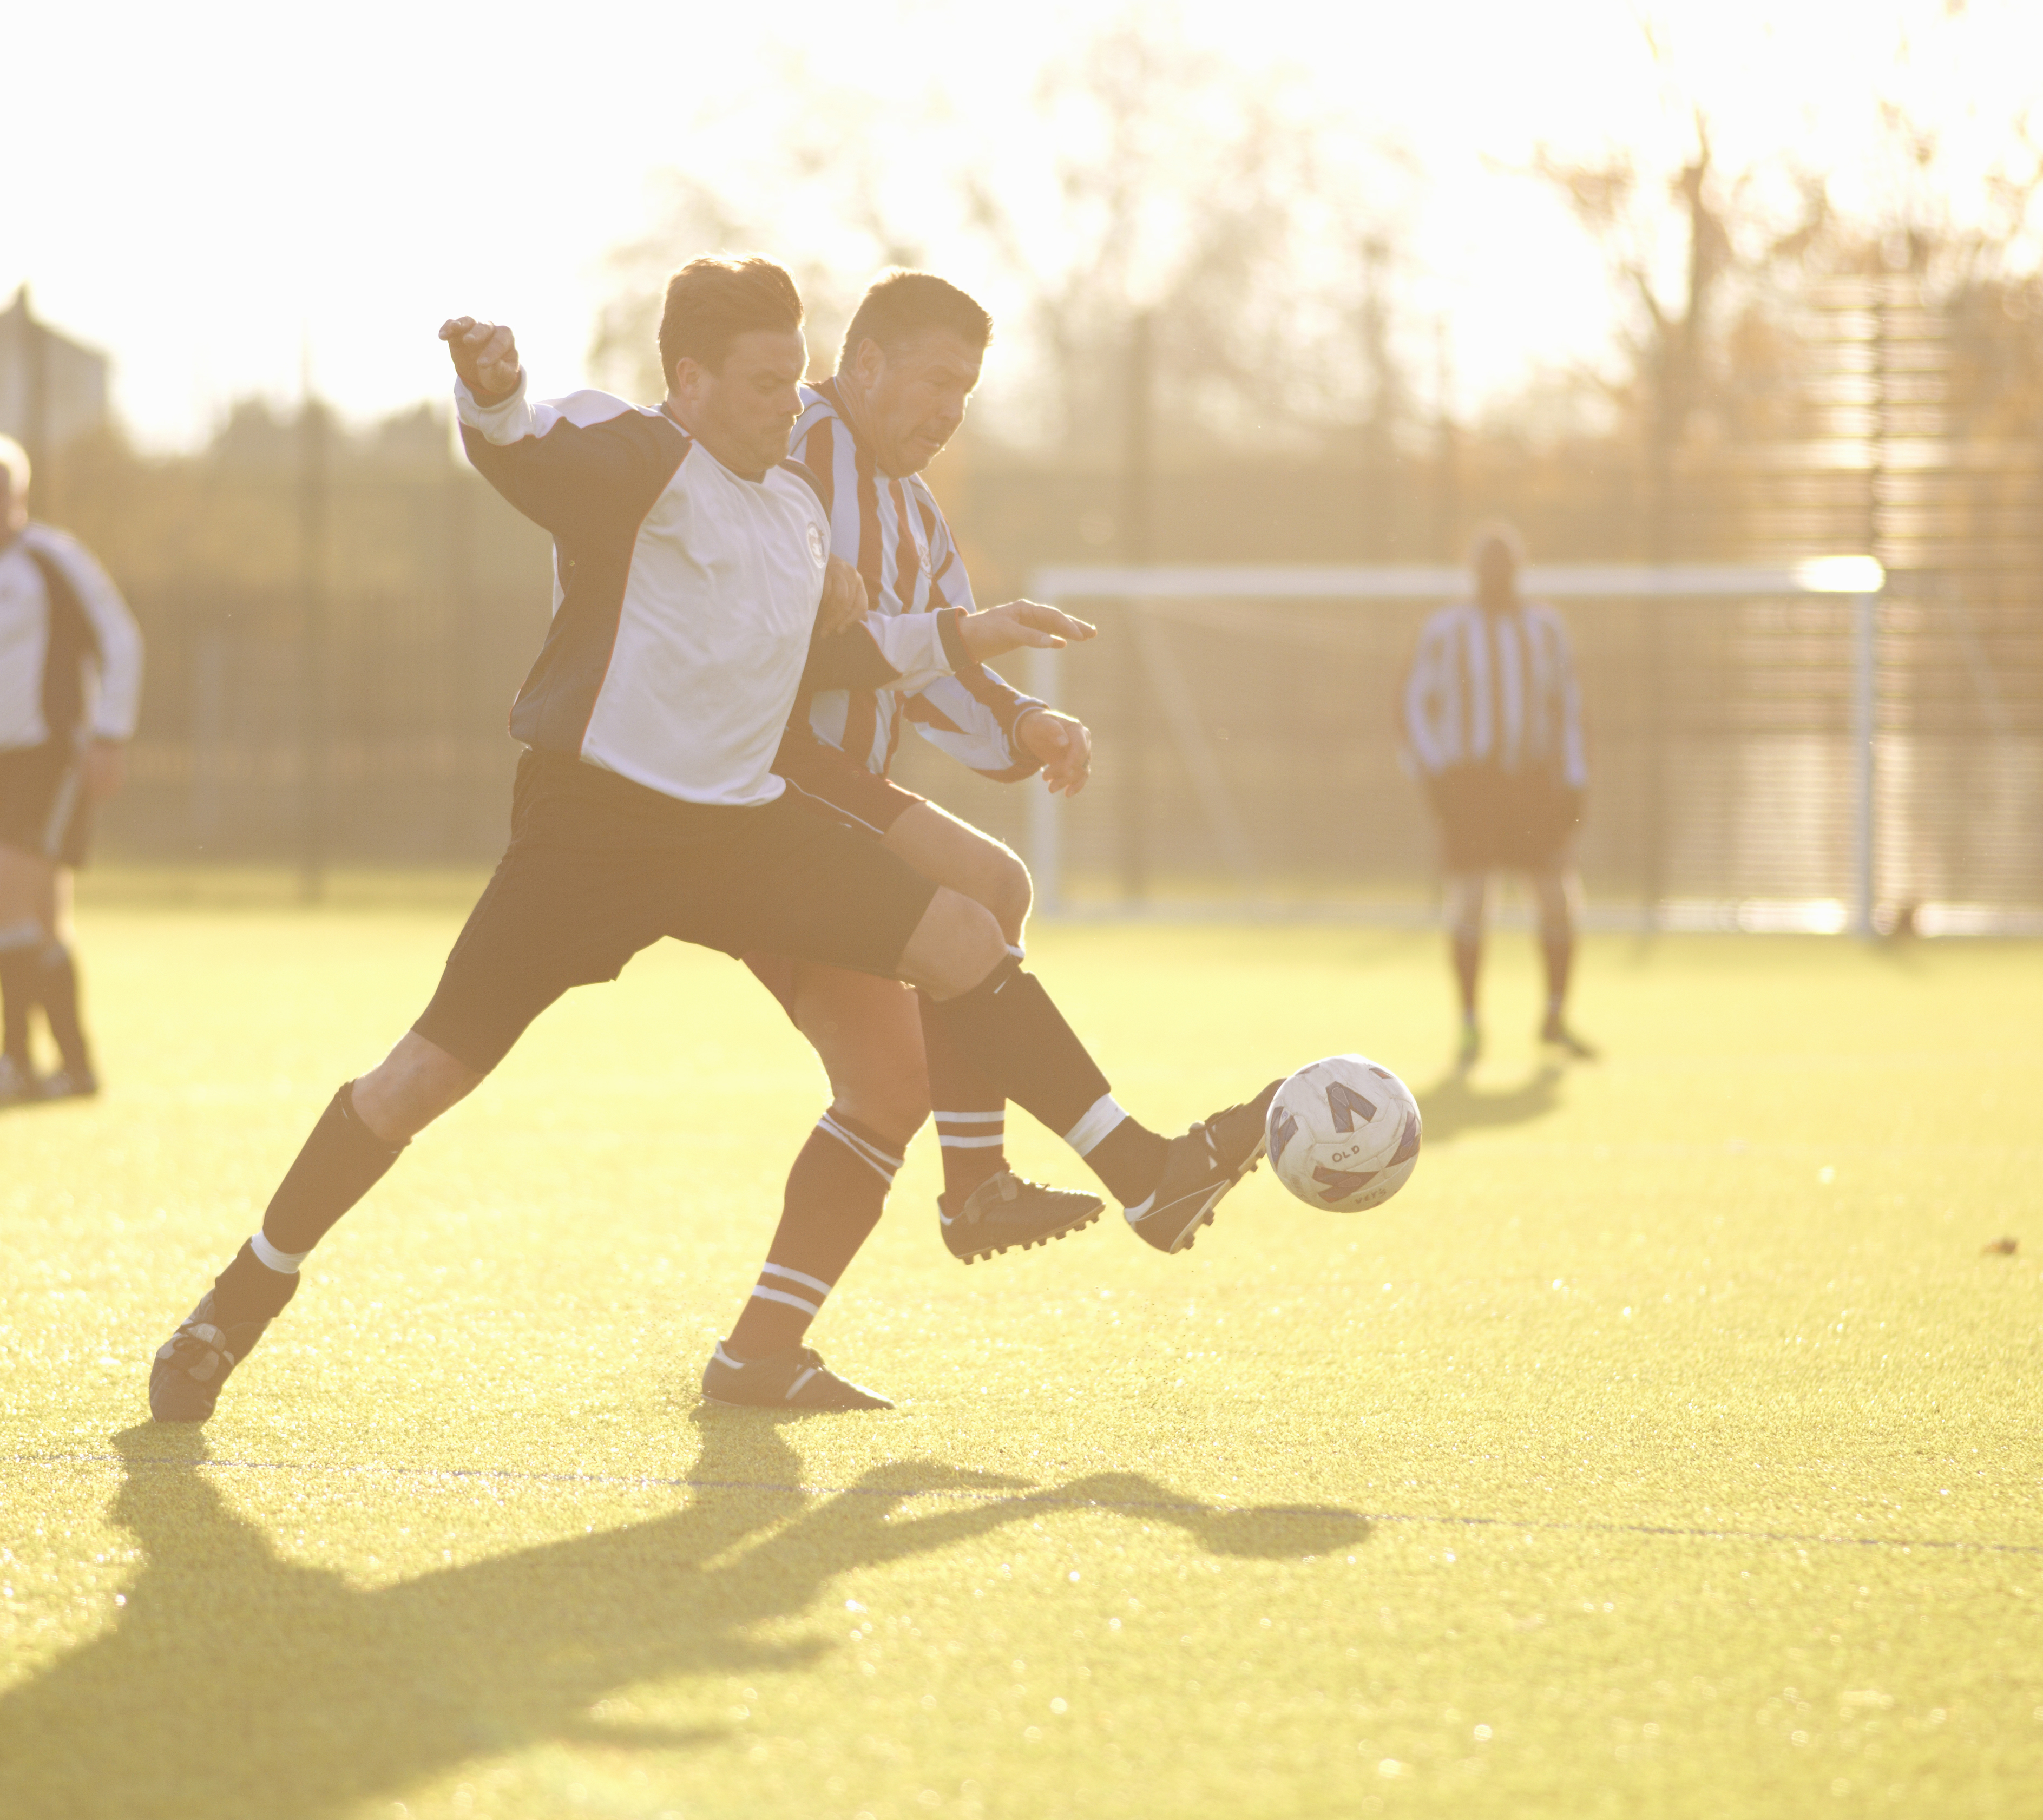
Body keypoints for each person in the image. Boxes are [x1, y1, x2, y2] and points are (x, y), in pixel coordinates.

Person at [148, 255, 1278, 1423]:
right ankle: (233, 1305)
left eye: (795, 380)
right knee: (415, 1081)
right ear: (688, 380)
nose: (790, 404)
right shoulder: (639, 458)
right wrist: (491, 391)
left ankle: (1144, 1175)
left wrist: (965, 633)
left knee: (965, 929)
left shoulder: (790, 509)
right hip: (593, 834)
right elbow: (524, 456)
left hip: (739, 826)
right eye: (761, 383)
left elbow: (829, 658)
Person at [705, 272, 1111, 1394]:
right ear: (867, 364)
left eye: (968, 392)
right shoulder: (796, 451)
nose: (951, 412)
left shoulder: (918, 511)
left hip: (829, 807)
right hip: (768, 785)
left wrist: (1025, 719)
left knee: (888, 1089)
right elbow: (783, 629)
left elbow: (941, 659)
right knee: (990, 886)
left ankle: (759, 1352)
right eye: (937, 381)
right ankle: (984, 1181)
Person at [0, 433, 143, 1107]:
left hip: (51, 757)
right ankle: (74, 1068)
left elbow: (121, 639)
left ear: (20, 495)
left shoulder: (52, 558)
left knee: (0, 888)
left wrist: (109, 735)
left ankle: (15, 1061)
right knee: (37, 916)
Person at [1400, 522, 1593, 1070]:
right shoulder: (1446, 630)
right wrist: (1437, 776)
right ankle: (1468, 1022)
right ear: (1472, 571)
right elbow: (1415, 704)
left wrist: (1574, 778)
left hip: (1531, 783)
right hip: (1474, 783)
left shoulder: (1545, 628)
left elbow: (1569, 706)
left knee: (1556, 897)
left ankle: (1554, 1014)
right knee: (1470, 900)